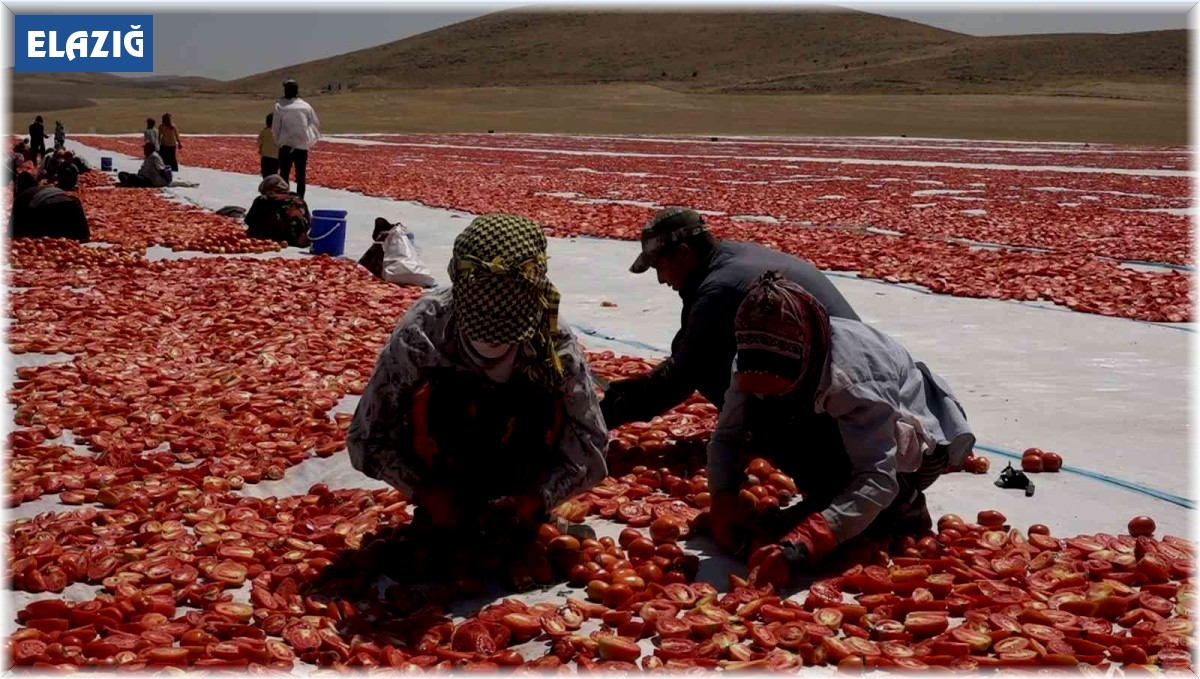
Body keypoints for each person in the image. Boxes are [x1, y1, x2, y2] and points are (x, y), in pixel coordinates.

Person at [705, 272, 975, 588]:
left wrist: (810, 538)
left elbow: (877, 476)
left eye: (782, 384)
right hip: (840, 421)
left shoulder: (853, 376)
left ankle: (903, 506)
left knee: (842, 473)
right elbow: (727, 434)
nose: (771, 392)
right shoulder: (756, 353)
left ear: (807, 355)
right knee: (771, 422)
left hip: (916, 453)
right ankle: (835, 504)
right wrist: (721, 495)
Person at [347, 213, 609, 532]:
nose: (493, 343)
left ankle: (521, 506)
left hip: (526, 465)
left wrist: (541, 496)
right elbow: (367, 437)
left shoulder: (553, 341)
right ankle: (449, 504)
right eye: (481, 330)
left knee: (540, 395)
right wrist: (423, 491)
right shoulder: (423, 333)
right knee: (444, 394)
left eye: (507, 334)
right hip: (439, 463)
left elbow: (591, 440)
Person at [600, 207, 860, 430]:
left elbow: (682, 375)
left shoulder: (719, 289)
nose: (660, 279)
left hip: (843, 392)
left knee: (706, 367)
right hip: (854, 368)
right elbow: (689, 343)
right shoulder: (731, 255)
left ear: (683, 253)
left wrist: (604, 416)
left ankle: (785, 434)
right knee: (695, 347)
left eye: (659, 266)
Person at [272, 79, 320, 198]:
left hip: (286, 146)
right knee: (301, 175)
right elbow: (314, 123)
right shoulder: (305, 106)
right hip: (302, 146)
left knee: (284, 175)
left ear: (286, 90)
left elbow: (276, 127)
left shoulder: (280, 106)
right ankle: (300, 200)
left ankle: (284, 199)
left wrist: (279, 142)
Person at [10, 169, 89, 241]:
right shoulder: (45, 188)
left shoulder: (22, 196)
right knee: (80, 237)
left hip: (49, 208)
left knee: (50, 239)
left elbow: (14, 228)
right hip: (74, 207)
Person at [243, 174, 310, 247]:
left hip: (276, 239)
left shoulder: (263, 200)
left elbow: (249, 221)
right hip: (301, 240)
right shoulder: (298, 199)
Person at [257, 113, 279, 178]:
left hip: (265, 156)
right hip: (276, 156)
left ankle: (266, 186)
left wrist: (260, 148)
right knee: (274, 173)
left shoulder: (264, 131)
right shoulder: (279, 132)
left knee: (265, 173)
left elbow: (259, 142)